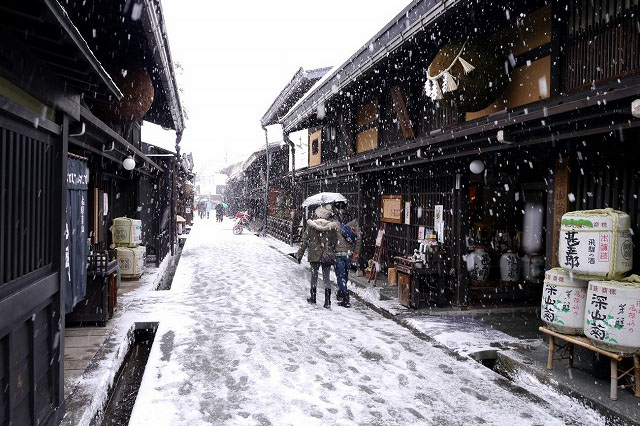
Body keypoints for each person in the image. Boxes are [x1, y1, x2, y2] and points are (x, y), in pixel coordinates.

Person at [296, 204, 338, 308]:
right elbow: (335, 242)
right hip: (326, 255)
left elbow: (305, 241)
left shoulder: (311, 226)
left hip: (314, 254)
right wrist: (331, 250)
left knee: (314, 277)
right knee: (326, 278)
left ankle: (313, 298)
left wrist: (299, 254)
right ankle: (327, 301)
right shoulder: (331, 227)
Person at [332, 202, 361, 308]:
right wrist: (356, 252)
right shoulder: (352, 220)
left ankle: (345, 296)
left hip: (338, 252)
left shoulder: (333, 220)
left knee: (340, 275)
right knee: (345, 274)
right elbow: (358, 238)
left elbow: (330, 238)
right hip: (349, 253)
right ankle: (341, 291)